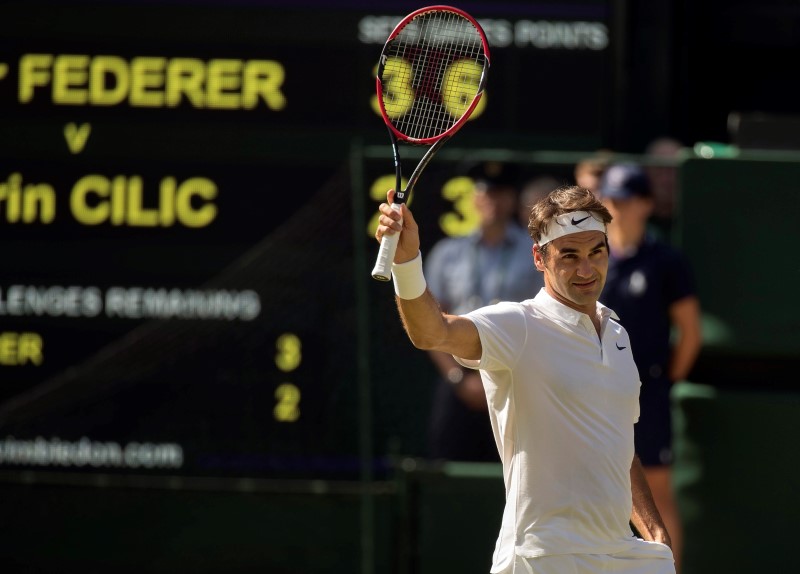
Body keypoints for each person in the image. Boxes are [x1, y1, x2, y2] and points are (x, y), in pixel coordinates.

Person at [376, 184, 675, 573]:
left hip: (622, 555)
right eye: (569, 256)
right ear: (539, 257)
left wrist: (656, 536)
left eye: (595, 252)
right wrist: (407, 262)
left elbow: (619, 445)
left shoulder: (618, 334)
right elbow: (433, 333)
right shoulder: (517, 325)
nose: (586, 269)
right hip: (543, 557)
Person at [598, 162, 702, 572]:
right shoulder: (591, 258)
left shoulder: (666, 261)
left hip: (648, 396)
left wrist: (662, 383)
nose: (615, 208)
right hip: (594, 393)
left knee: (654, 494)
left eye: (624, 200)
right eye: (609, 200)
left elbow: (690, 334)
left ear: (645, 205)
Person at [425, 161, 543, 462]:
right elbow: (430, 323)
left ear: (512, 199)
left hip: (514, 376)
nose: (493, 201)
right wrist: (457, 378)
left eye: (501, 193)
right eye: (486, 192)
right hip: (459, 374)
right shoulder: (447, 254)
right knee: (447, 463)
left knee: (518, 467)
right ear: (475, 199)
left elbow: (543, 315)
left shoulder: (534, 253)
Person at [643, 137, 683, 239]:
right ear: (646, 171)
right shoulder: (634, 221)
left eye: (674, 170)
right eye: (659, 169)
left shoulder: (695, 219)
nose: (667, 179)